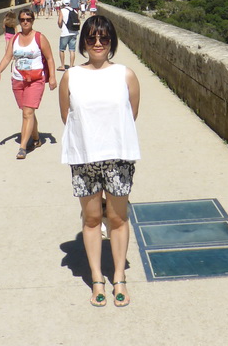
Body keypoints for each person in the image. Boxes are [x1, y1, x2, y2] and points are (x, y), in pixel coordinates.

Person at [59, 15, 141, 308]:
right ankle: (97, 278)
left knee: (117, 219)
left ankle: (118, 276)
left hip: (118, 157)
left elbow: (131, 114)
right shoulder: (71, 76)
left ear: (111, 42)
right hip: (84, 159)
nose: (97, 43)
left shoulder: (126, 75)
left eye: (103, 38)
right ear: (83, 42)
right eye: (92, 38)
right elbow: (67, 117)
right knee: (93, 219)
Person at [0, 9, 57, 157]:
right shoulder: (15, 39)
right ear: (19, 22)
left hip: (35, 80)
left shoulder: (40, 37)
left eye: (28, 19)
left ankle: (22, 147)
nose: (25, 22)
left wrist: (52, 77)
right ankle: (35, 138)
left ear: (33, 20)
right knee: (27, 112)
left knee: (28, 112)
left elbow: (50, 58)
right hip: (18, 79)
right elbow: (8, 57)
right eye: (22, 20)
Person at [57, 0, 80, 71]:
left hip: (65, 33)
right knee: (72, 50)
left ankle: (62, 65)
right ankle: (71, 65)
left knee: (62, 49)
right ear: (69, 3)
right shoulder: (75, 11)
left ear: (63, 4)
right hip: (74, 33)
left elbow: (60, 21)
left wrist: (60, 26)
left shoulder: (62, 10)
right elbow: (79, 21)